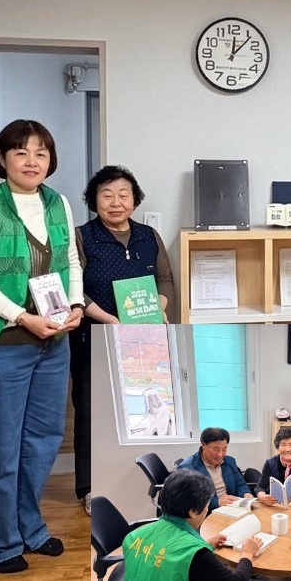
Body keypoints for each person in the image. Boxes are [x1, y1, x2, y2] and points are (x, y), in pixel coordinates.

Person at [0, 119, 83, 574]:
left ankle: (30, 527)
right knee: (3, 447)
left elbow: (70, 261)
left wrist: (76, 304)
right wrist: (22, 316)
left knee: (43, 442)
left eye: (41, 153)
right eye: (21, 152)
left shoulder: (57, 202)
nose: (32, 161)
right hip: (2, 343)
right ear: (2, 158)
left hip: (53, 342)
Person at [71, 165, 175, 514]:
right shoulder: (82, 237)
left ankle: (132, 482)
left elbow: (165, 278)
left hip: (142, 343)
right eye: (107, 195)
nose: (115, 203)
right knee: (91, 412)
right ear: (94, 200)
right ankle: (90, 487)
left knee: (140, 411)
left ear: (134, 200)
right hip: (95, 338)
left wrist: (158, 309)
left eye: (123, 195)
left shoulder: (148, 236)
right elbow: (74, 289)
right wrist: (109, 320)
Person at [123, 469, 282, 581]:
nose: (207, 510)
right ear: (192, 512)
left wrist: (205, 544)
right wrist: (247, 554)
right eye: (206, 506)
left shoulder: (135, 536)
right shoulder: (196, 556)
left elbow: (169, 557)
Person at [177, 426, 255, 511]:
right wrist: (217, 502)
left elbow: (240, 484)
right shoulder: (188, 469)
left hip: (232, 508)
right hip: (206, 513)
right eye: (216, 449)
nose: (220, 454)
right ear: (203, 444)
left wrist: (245, 493)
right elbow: (191, 500)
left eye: (224, 449)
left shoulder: (229, 461)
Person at [255, 426, 291, 505]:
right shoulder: (270, 463)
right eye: (283, 445)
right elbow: (260, 487)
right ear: (278, 447)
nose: (287, 449)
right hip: (274, 504)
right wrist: (262, 496)